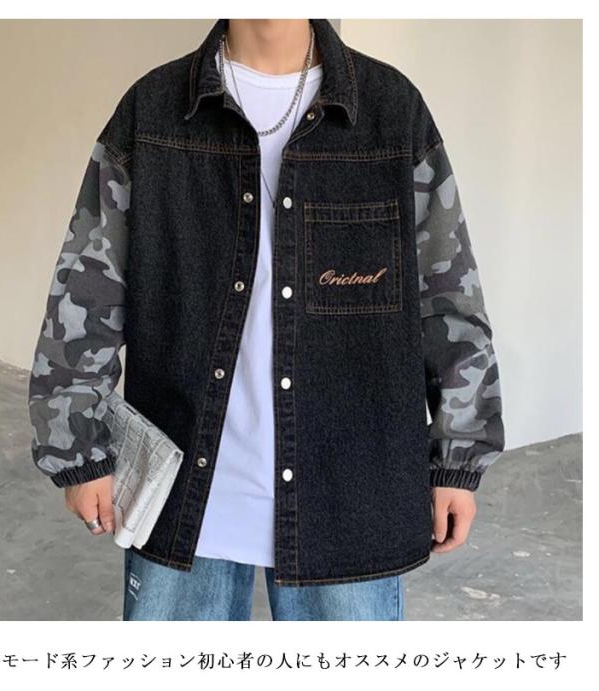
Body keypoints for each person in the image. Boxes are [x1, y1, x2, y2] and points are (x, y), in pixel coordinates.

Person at [27, 18, 505, 621]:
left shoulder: (390, 111)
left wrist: (458, 457)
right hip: (184, 489)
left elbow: (448, 295)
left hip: (351, 494)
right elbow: (87, 290)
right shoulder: (153, 112)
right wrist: (77, 445)